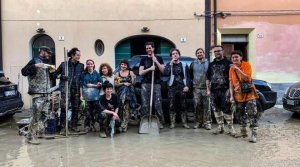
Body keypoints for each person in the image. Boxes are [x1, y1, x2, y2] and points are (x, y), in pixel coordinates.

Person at [21, 46, 53, 144]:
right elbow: (24, 71)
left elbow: (47, 78)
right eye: (48, 53)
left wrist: (52, 72)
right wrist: (35, 66)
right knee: (36, 115)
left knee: (45, 115)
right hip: (37, 93)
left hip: (46, 92)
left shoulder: (46, 63)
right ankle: (29, 137)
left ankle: (40, 132)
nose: (49, 55)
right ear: (42, 51)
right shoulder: (34, 61)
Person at [229, 50, 259, 143]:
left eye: (236, 57)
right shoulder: (231, 68)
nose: (234, 59)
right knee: (240, 114)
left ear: (241, 57)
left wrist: (237, 69)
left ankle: (254, 134)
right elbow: (231, 82)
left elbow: (247, 78)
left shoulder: (246, 65)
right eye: (233, 57)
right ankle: (243, 132)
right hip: (238, 95)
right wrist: (231, 96)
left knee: (252, 113)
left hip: (249, 94)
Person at [206, 45, 236, 136]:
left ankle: (231, 128)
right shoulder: (211, 64)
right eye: (215, 51)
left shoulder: (228, 63)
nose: (217, 53)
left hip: (225, 90)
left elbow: (232, 78)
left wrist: (231, 92)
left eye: (219, 51)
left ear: (222, 51)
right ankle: (220, 127)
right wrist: (208, 89)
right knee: (216, 109)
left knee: (227, 109)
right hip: (214, 91)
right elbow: (208, 78)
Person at [54, 47, 84, 134]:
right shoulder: (64, 64)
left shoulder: (81, 66)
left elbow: (81, 79)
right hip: (65, 89)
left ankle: (74, 126)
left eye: (79, 55)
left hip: (76, 90)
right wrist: (62, 77)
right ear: (72, 55)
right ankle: (63, 127)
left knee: (76, 108)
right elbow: (55, 74)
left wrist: (81, 92)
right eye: (77, 55)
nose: (79, 57)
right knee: (64, 107)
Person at [139, 42, 165, 129]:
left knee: (158, 104)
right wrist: (150, 69)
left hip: (156, 84)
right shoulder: (143, 60)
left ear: (153, 48)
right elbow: (140, 72)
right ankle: (145, 123)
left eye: (150, 48)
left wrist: (156, 61)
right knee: (145, 105)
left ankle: (159, 122)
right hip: (145, 84)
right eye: (147, 48)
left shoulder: (159, 58)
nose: (148, 49)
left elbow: (163, 70)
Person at [164, 48, 191, 129]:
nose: (175, 55)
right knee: (172, 105)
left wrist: (187, 86)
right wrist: (171, 64)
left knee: (183, 105)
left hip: (182, 87)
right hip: (172, 88)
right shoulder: (169, 64)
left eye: (176, 53)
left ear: (179, 55)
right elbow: (166, 73)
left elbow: (188, 77)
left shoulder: (184, 64)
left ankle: (184, 123)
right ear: (171, 56)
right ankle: (172, 123)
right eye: (173, 54)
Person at [190, 48, 212, 130]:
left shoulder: (208, 63)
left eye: (201, 52)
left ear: (203, 54)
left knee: (207, 106)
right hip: (196, 88)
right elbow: (190, 75)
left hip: (206, 88)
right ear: (196, 54)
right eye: (198, 53)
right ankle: (198, 122)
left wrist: (209, 87)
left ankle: (207, 123)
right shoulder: (193, 64)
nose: (199, 54)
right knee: (197, 106)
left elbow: (210, 75)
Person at [114, 59, 138, 132]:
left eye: (124, 64)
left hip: (129, 94)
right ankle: (121, 123)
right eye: (122, 64)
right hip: (120, 93)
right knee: (121, 109)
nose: (123, 66)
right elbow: (116, 84)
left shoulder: (130, 72)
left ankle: (124, 125)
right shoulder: (118, 73)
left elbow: (133, 84)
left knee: (126, 108)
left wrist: (133, 78)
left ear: (127, 66)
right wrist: (123, 83)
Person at [80, 59, 102, 132]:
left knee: (95, 111)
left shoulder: (96, 73)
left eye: (91, 64)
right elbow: (81, 85)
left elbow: (100, 83)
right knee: (87, 111)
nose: (89, 65)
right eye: (88, 64)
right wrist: (81, 95)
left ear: (93, 64)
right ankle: (87, 126)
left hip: (95, 96)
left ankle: (93, 125)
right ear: (87, 65)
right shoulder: (83, 74)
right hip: (86, 96)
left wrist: (95, 85)